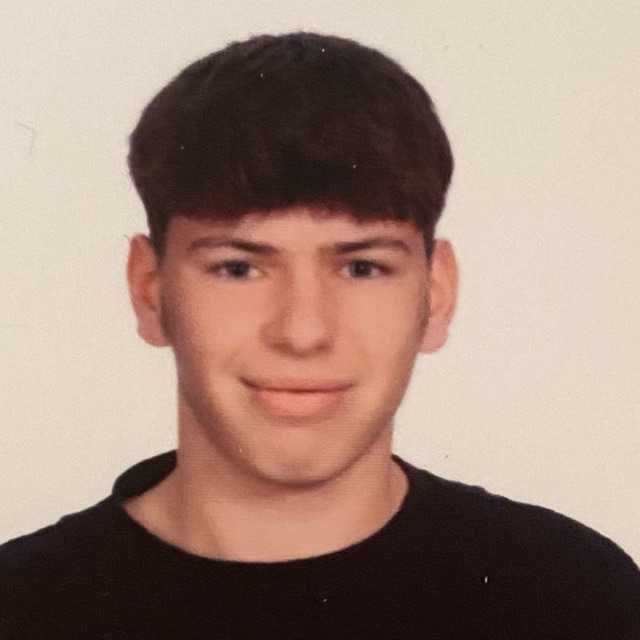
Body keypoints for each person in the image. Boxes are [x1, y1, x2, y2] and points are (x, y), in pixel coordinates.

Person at [1, 31, 638, 639]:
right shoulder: (22, 608)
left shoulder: (574, 599)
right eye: (238, 268)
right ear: (150, 291)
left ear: (436, 294)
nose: (303, 332)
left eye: (362, 268)